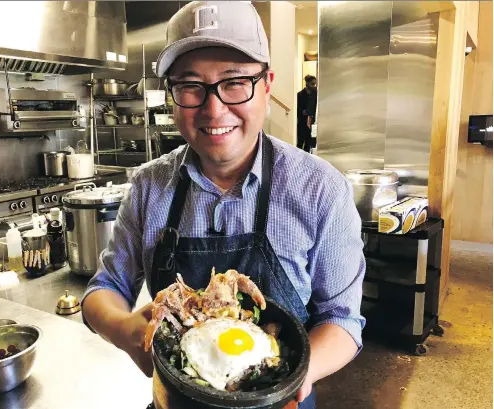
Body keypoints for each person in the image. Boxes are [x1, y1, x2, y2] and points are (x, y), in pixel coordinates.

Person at [81, 2, 365, 408]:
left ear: (266, 85)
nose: (214, 110)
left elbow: (342, 320)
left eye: (234, 82)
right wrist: (126, 330)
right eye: (191, 86)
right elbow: (104, 289)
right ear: (173, 96)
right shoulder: (148, 187)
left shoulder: (321, 190)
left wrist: (285, 379)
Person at [297, 75, 317, 152]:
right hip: (302, 123)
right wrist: (303, 112)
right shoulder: (300, 95)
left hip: (312, 123)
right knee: (299, 143)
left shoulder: (315, 95)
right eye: (312, 84)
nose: (314, 86)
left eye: (315, 84)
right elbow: (297, 109)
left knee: (309, 144)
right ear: (307, 83)